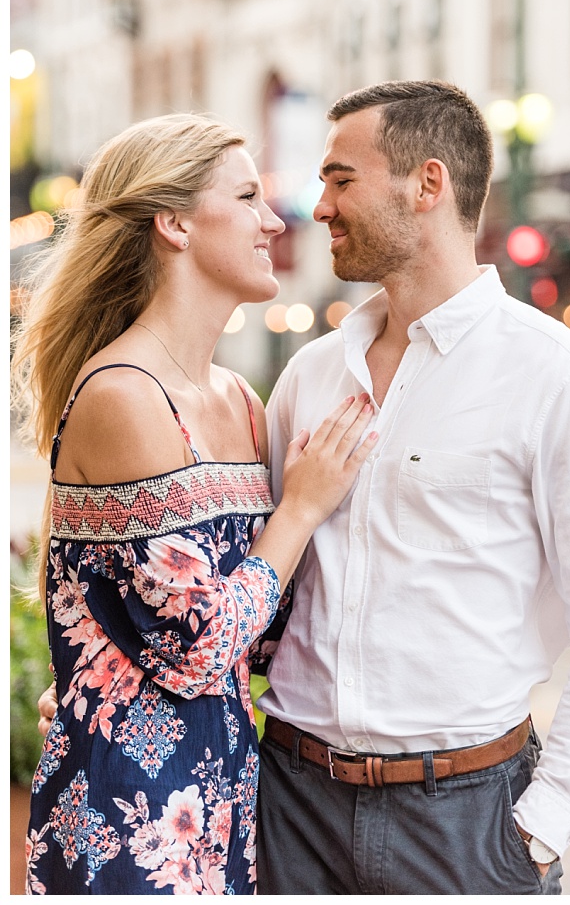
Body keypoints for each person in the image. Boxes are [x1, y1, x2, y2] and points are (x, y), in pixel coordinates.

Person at [251, 81, 570, 894]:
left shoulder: (563, 380)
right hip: (290, 805)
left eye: (340, 179)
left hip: (465, 823)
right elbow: (254, 581)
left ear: (427, 185)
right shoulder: (310, 376)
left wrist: (544, 825)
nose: (319, 207)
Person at [14, 114, 377, 894]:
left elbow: (262, 634)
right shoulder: (123, 396)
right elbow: (201, 648)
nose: (272, 220)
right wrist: (300, 511)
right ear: (174, 223)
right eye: (247, 196)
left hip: (224, 801)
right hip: (128, 822)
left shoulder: (241, 400)